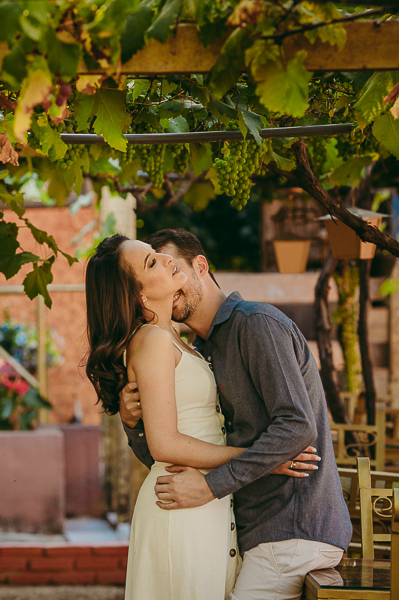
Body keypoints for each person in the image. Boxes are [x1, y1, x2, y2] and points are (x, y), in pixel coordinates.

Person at [119, 228, 352, 600]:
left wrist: (211, 486)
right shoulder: (198, 352)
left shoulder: (256, 324)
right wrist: (132, 424)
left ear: (200, 266)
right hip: (244, 529)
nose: (171, 277)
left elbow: (297, 426)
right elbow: (180, 454)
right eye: (158, 268)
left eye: (175, 268)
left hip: (291, 525)